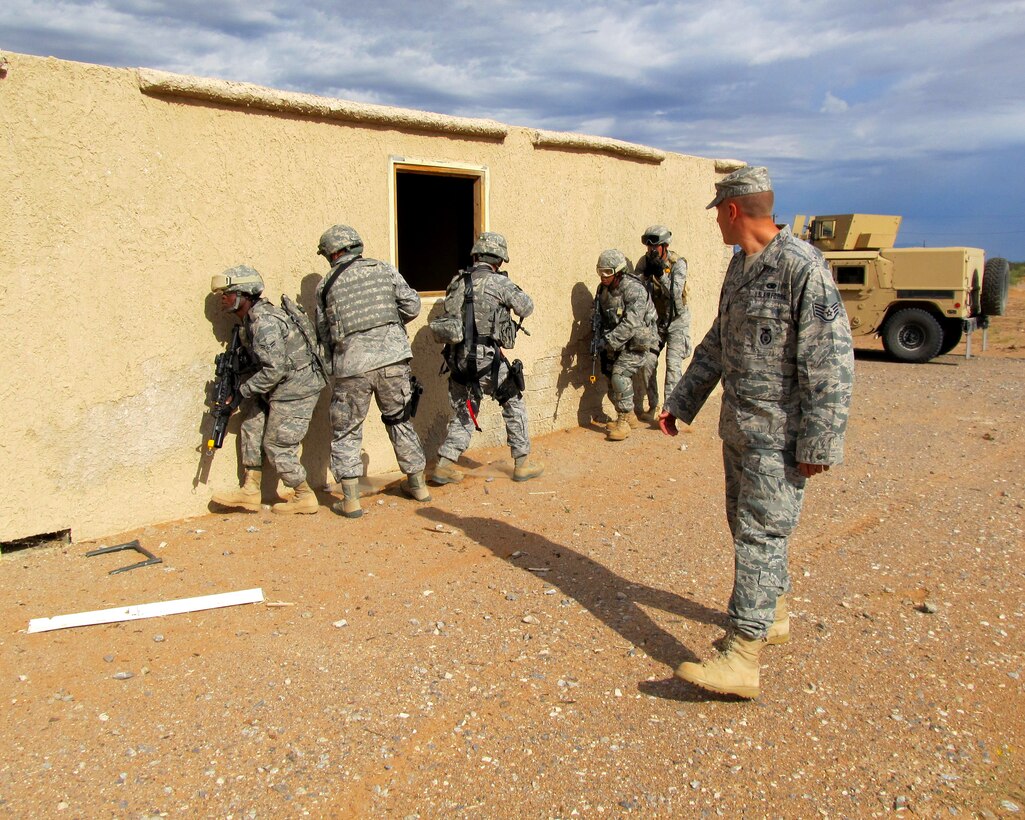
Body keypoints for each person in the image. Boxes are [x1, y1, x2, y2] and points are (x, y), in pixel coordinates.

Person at [659, 166, 854, 699]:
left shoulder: (802, 267)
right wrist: (681, 402)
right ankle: (775, 613)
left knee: (759, 534)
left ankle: (742, 654)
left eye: (717, 216)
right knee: (745, 525)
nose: (716, 226)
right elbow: (719, 342)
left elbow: (831, 361)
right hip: (740, 429)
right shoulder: (740, 267)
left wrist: (819, 441)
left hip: (780, 436)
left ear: (732, 211)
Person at [314, 224, 431, 518]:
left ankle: (351, 500)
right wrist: (390, 329)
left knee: (347, 430)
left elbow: (323, 333)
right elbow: (412, 306)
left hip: (352, 366)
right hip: (393, 360)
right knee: (400, 420)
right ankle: (417, 485)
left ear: (335, 251)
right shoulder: (384, 269)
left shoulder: (326, 284)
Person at [209, 265, 327, 514]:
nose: (223, 297)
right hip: (279, 386)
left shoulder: (264, 323)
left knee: (277, 444)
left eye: (228, 292)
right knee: (251, 422)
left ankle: (304, 495)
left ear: (244, 295)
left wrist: (242, 391)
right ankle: (251, 489)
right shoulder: (249, 322)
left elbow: (274, 370)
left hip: (297, 388)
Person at [429, 232, 544, 484]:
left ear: (476, 256)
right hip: (485, 359)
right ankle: (522, 463)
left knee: (466, 411)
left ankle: (444, 465)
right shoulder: (499, 283)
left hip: (457, 359)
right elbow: (526, 307)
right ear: (499, 260)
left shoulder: (458, 281)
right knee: (513, 401)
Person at [592, 249, 660, 442]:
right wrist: (597, 337)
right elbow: (598, 315)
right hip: (618, 342)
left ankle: (623, 422)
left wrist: (608, 341)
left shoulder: (634, 289)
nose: (603, 277)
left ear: (619, 271)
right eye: (600, 272)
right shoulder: (602, 290)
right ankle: (628, 416)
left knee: (619, 375)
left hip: (640, 341)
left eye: (607, 272)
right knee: (608, 376)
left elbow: (631, 323)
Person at [634, 224, 692, 422]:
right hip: (657, 323)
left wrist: (661, 275)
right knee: (647, 362)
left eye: (655, 247)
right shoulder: (645, 262)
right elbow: (636, 290)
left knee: (673, 367)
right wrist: (645, 275)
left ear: (665, 246)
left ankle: (670, 413)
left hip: (676, 321)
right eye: (648, 247)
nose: (651, 251)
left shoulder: (678, 264)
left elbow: (676, 297)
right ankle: (653, 405)